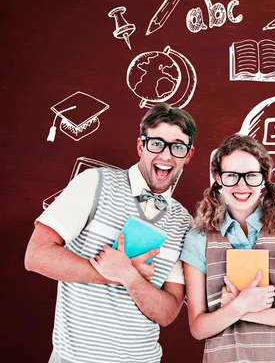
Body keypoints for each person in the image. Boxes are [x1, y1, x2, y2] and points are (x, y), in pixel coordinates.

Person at [24, 103, 197, 363]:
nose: (166, 155)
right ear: (141, 146)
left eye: (178, 147)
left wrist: (128, 275)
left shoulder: (183, 222)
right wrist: (113, 274)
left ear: (188, 155)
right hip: (74, 358)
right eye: (156, 143)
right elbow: (36, 256)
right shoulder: (94, 183)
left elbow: (167, 312)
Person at [181, 134, 275, 363]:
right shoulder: (198, 239)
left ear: (264, 178)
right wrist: (239, 305)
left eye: (251, 175)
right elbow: (199, 328)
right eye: (231, 176)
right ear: (218, 179)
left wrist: (245, 310)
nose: (241, 185)